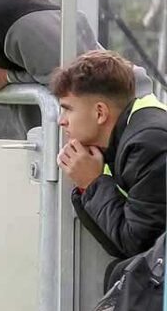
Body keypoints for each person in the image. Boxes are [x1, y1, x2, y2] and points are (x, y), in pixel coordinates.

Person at [52, 50, 166, 261]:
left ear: (100, 113)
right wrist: (87, 185)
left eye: (68, 109)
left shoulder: (149, 143)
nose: (61, 120)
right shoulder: (122, 136)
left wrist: (92, 183)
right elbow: (117, 243)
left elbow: (139, 246)